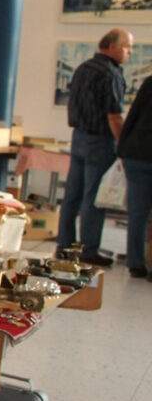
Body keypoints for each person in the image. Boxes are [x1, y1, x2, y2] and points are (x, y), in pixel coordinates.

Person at [56, 28, 133, 266]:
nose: (129, 52)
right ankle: (89, 250)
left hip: (78, 137)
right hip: (100, 141)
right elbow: (114, 116)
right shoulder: (110, 74)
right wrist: (123, 145)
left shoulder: (83, 68)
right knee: (93, 197)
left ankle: (64, 245)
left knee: (72, 196)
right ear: (112, 46)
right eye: (127, 47)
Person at [118, 74, 152, 278]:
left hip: (137, 154)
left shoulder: (149, 82)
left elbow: (133, 116)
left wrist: (122, 150)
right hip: (139, 154)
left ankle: (136, 264)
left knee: (138, 214)